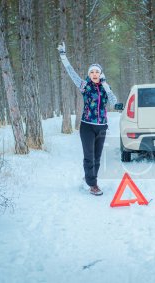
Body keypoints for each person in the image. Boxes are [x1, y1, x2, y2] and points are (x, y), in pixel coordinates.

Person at [58, 42, 117, 196]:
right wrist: (63, 56)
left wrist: (105, 85)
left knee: (97, 157)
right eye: (92, 72)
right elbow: (71, 73)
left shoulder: (105, 88)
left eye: (97, 71)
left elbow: (114, 101)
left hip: (102, 126)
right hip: (87, 127)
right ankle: (93, 184)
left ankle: (90, 178)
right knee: (89, 156)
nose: (95, 74)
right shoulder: (84, 85)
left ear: (101, 74)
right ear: (89, 74)